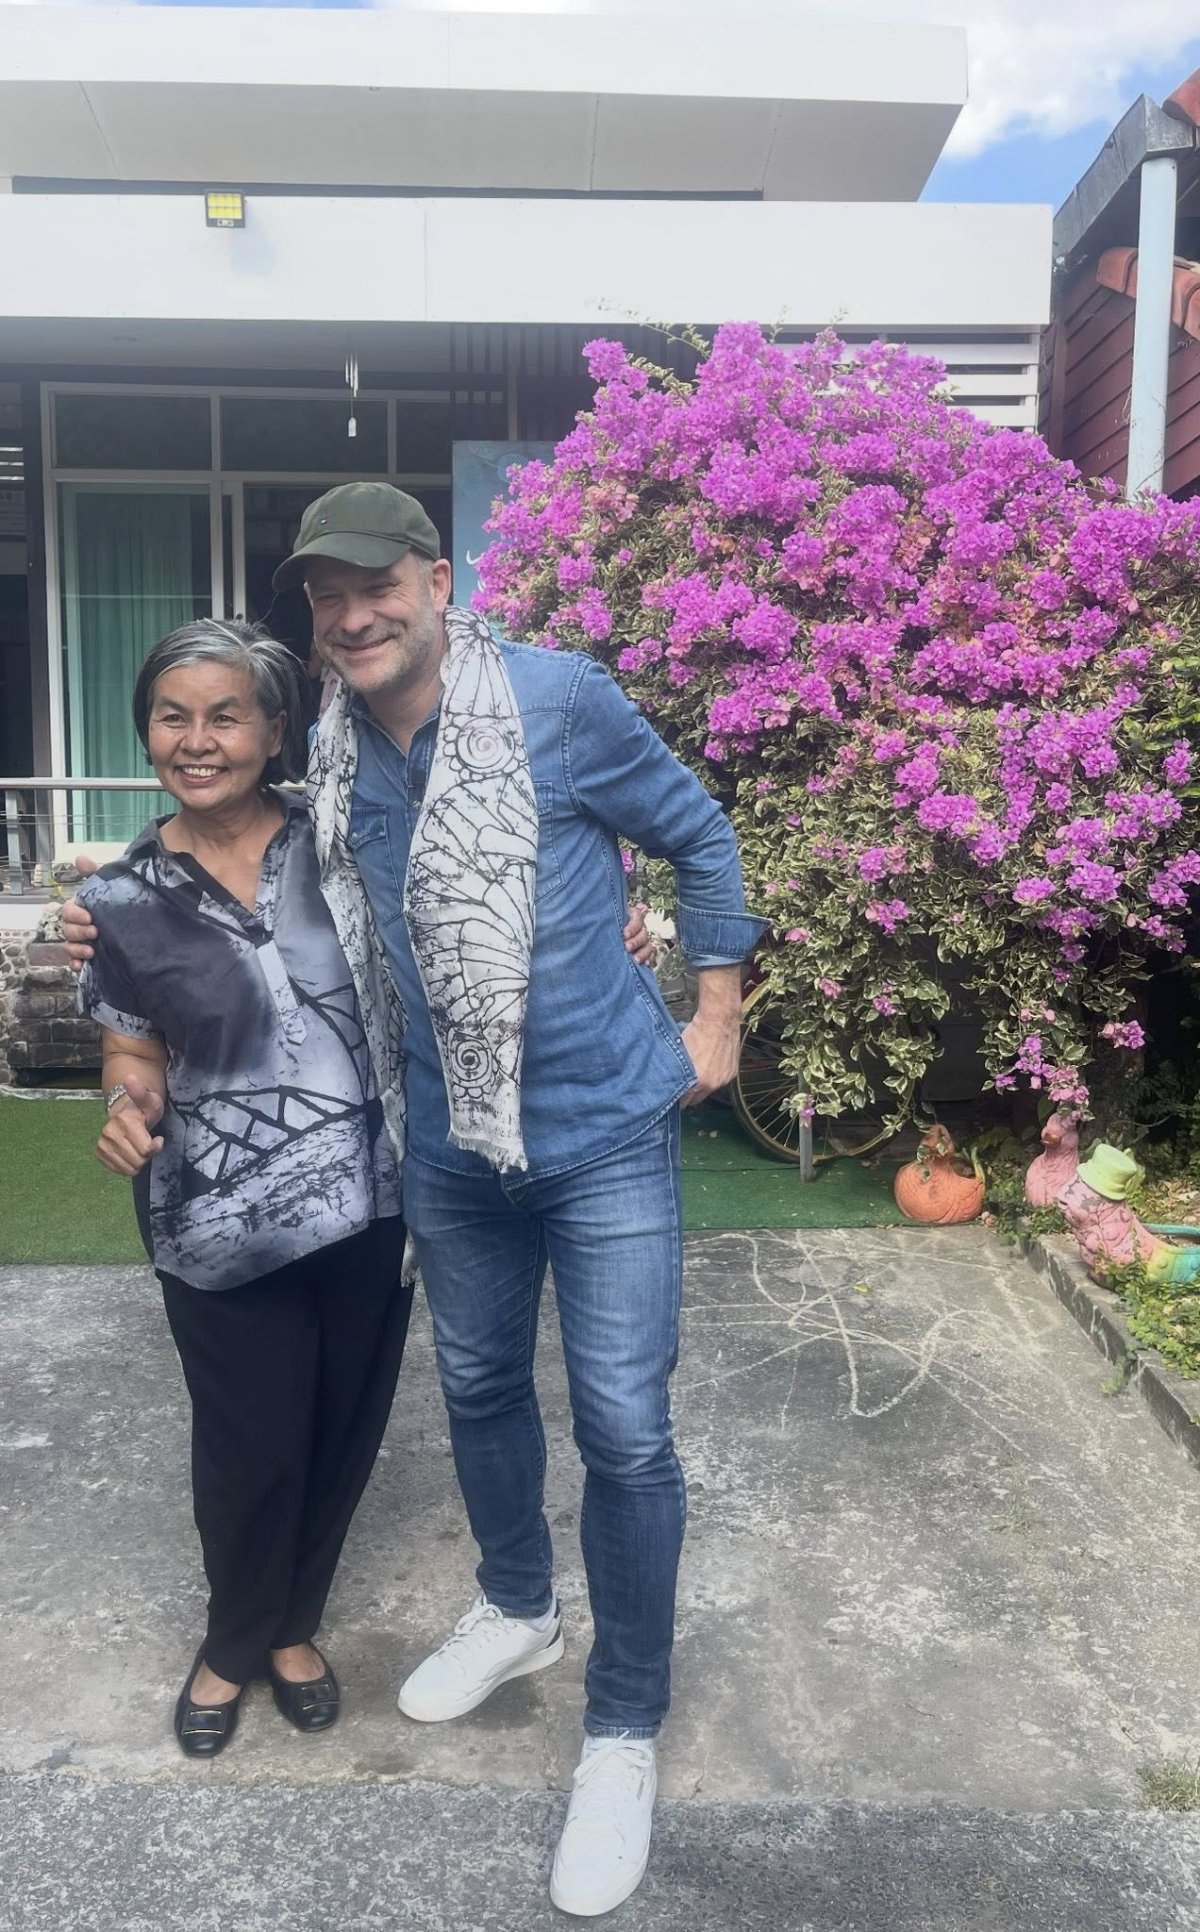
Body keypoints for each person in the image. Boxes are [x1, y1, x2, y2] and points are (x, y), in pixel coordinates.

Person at [68, 482, 764, 1913]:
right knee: (482, 1390)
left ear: (439, 582)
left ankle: (622, 1728)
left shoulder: (560, 700)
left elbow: (699, 833)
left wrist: (715, 1014)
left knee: (626, 1430)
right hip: (444, 1138)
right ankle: (518, 1606)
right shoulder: (330, 745)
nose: (353, 614)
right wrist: (114, 905)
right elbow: (232, 875)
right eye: (327, 597)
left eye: (376, 585)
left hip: (605, 1126)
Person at [74, 618, 412, 1759]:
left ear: (275, 731)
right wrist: (128, 1105)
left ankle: (294, 1626)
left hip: (373, 1196)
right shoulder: (120, 897)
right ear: (146, 733)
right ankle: (232, 1640)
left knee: (342, 1423)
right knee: (246, 1440)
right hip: (212, 1216)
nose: (198, 740)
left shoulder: (347, 840)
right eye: (174, 717)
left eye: (226, 716)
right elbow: (132, 1047)